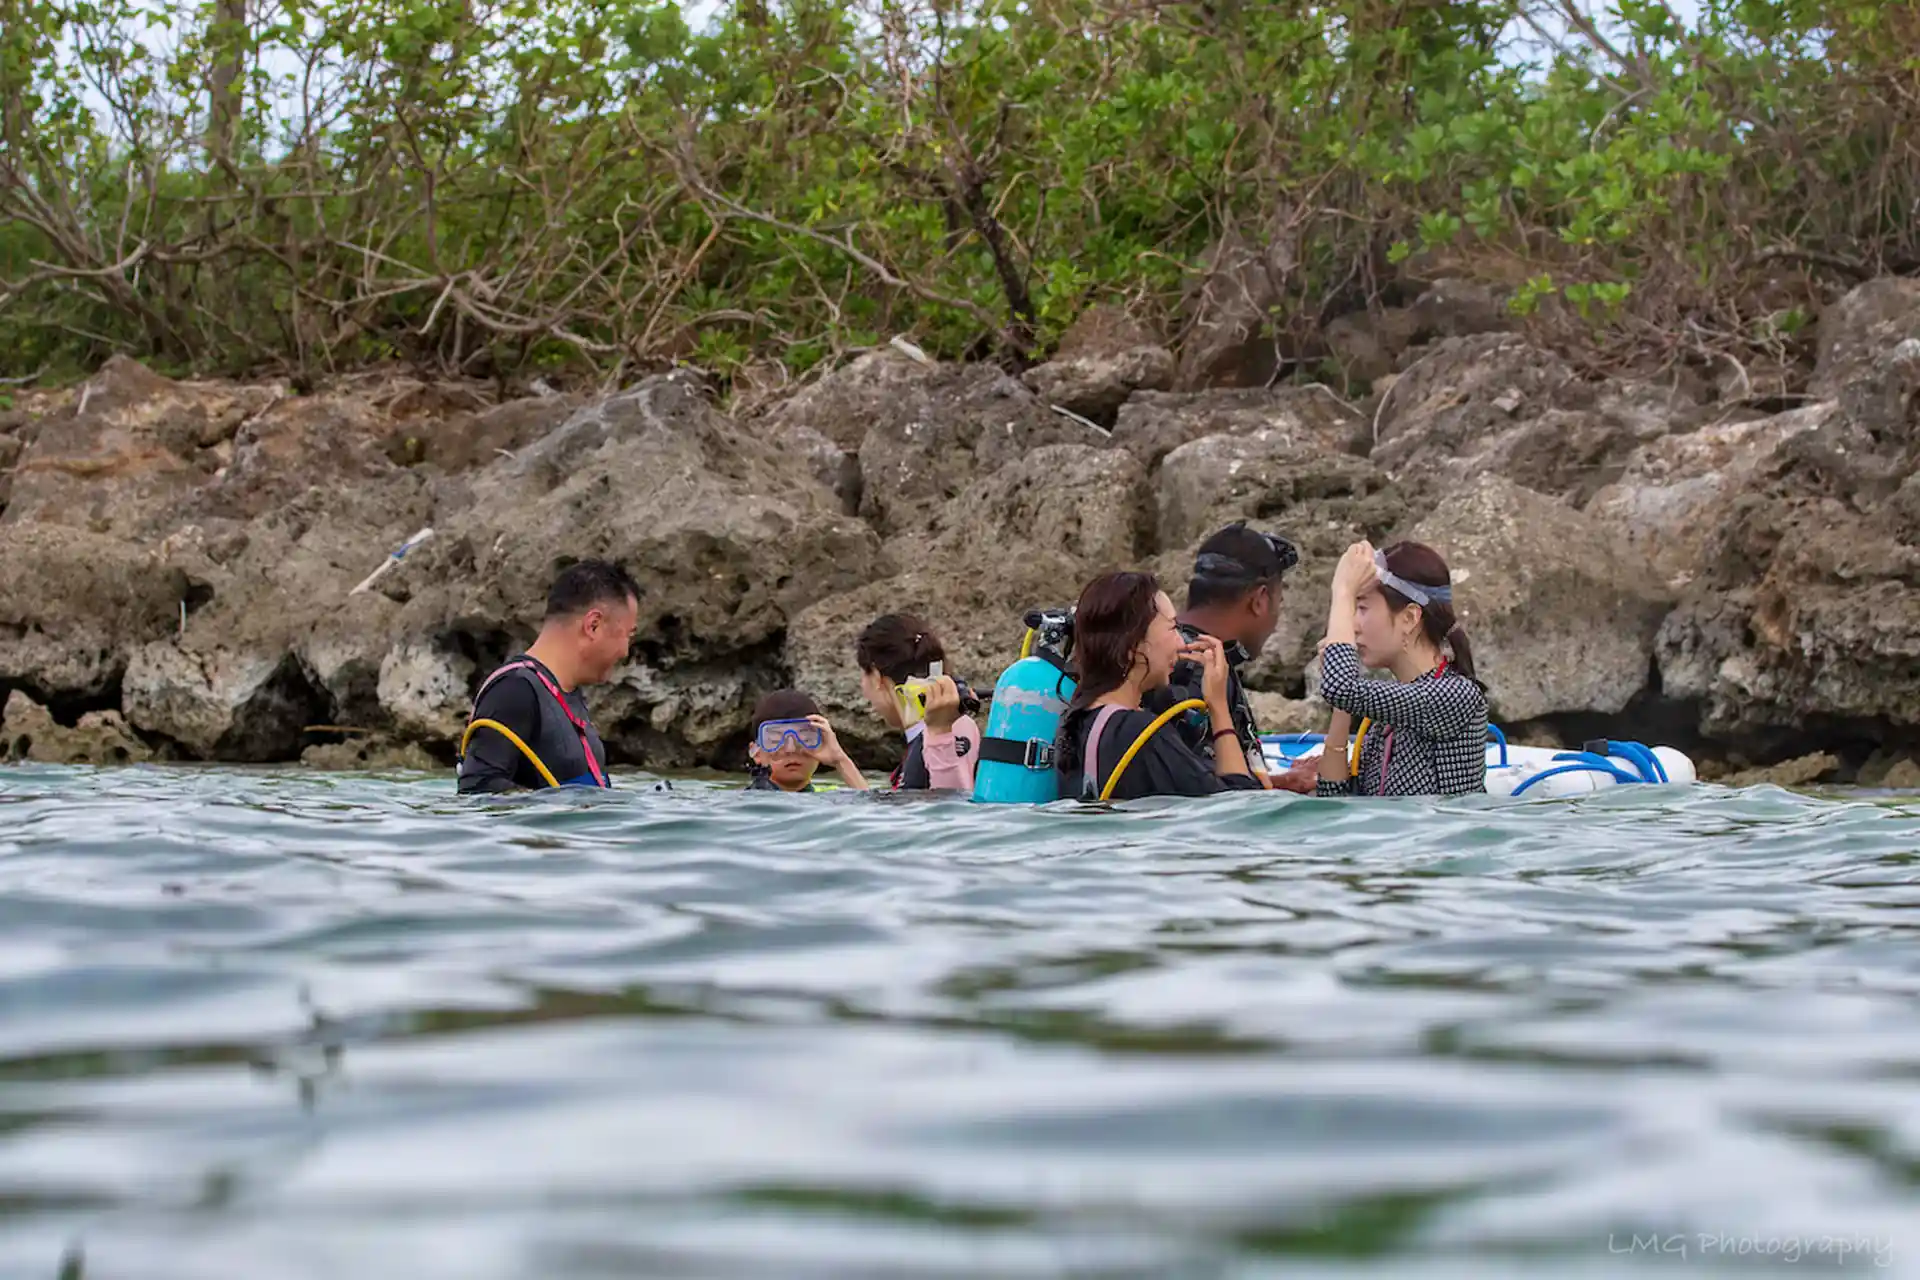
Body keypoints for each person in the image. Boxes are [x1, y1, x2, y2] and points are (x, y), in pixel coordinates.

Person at [1055, 571, 1263, 801]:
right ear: (1135, 646)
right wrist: (1218, 707)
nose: (1182, 642)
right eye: (1173, 628)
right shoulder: (1143, 735)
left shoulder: (1075, 723)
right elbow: (1237, 807)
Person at [1147, 522, 1318, 795]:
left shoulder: (1168, 654)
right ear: (1260, 600)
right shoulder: (1197, 669)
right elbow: (1203, 801)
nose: (1275, 619)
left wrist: (1283, 782)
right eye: (1279, 602)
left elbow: (1190, 773)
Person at [1315, 540, 1488, 798]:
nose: (1353, 626)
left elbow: (1340, 687)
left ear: (1409, 618)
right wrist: (1342, 710)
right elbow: (1333, 798)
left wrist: (1343, 590)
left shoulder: (1456, 695)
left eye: (1361, 608)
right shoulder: (1384, 720)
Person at [459, 560, 640, 794]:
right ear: (593, 625)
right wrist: (559, 807)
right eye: (627, 635)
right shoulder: (515, 689)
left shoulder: (567, 694)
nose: (626, 651)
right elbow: (477, 789)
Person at [855, 614, 982, 793]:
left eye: (862, 675)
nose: (863, 688)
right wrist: (841, 761)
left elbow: (952, 809)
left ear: (876, 678)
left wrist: (940, 733)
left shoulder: (949, 729)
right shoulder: (922, 733)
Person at [745, 689, 868, 792]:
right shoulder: (746, 803)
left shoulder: (832, 798)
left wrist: (840, 760)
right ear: (756, 752)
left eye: (804, 738)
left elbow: (870, 811)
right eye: (776, 739)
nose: (791, 749)